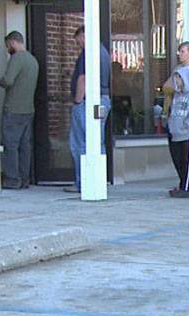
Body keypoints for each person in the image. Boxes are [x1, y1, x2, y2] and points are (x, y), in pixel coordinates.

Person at [65, 26, 112, 194]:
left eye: (78, 40)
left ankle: (83, 183)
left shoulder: (89, 53)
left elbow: (83, 78)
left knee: (80, 142)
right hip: (103, 100)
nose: (78, 43)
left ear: (85, 35)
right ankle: (98, 179)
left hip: (88, 102)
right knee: (96, 141)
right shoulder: (104, 52)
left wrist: (78, 101)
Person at [0, 31, 38, 190]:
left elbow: (8, 80)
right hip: (28, 109)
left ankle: (12, 180)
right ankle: (24, 179)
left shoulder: (16, 58)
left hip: (13, 109)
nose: (7, 49)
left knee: (10, 145)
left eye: (7, 45)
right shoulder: (32, 60)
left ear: (13, 42)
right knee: (24, 145)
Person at [162, 42, 189, 198]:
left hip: (187, 127)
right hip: (175, 123)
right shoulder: (177, 72)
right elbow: (167, 88)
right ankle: (182, 183)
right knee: (177, 156)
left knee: (187, 157)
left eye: (183, 51)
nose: (180, 54)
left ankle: (188, 186)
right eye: (179, 51)